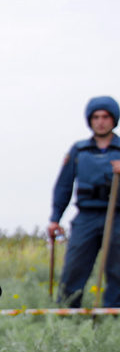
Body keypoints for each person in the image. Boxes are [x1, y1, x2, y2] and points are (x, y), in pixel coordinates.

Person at [47, 96, 120, 308]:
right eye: (95, 117)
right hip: (86, 217)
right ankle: (69, 314)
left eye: (105, 117)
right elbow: (63, 186)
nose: (100, 121)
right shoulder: (78, 150)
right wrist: (54, 219)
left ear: (113, 119)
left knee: (117, 269)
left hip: (116, 217)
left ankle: (113, 318)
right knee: (74, 267)